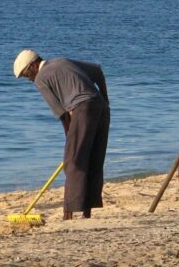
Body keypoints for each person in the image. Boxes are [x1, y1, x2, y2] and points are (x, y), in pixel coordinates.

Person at [13, 49, 109, 220]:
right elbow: (98, 70)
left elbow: (62, 114)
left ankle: (69, 213)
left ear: (34, 65)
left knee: (73, 162)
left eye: (26, 75)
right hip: (101, 108)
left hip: (83, 109)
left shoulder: (41, 78)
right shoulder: (62, 61)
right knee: (93, 158)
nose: (28, 79)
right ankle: (87, 212)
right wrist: (105, 100)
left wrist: (69, 139)